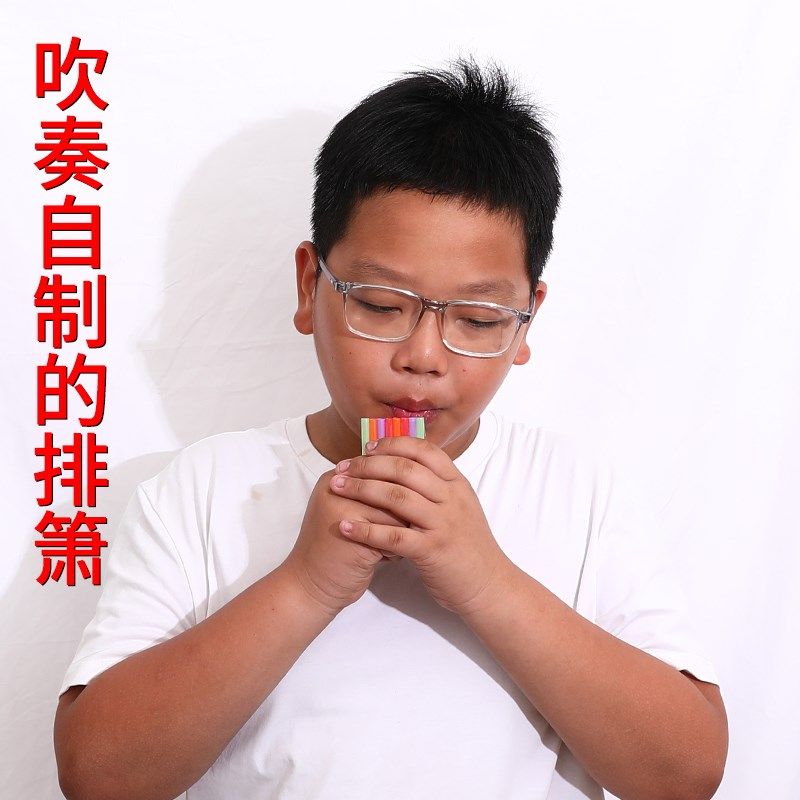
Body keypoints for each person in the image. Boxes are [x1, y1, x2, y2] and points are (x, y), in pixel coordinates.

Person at [54, 58, 728, 800]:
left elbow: (685, 773)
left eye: (478, 319)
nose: (423, 357)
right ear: (309, 286)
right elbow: (98, 776)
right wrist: (306, 584)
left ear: (526, 323)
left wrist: (484, 578)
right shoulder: (203, 489)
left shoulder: (580, 494)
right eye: (380, 305)